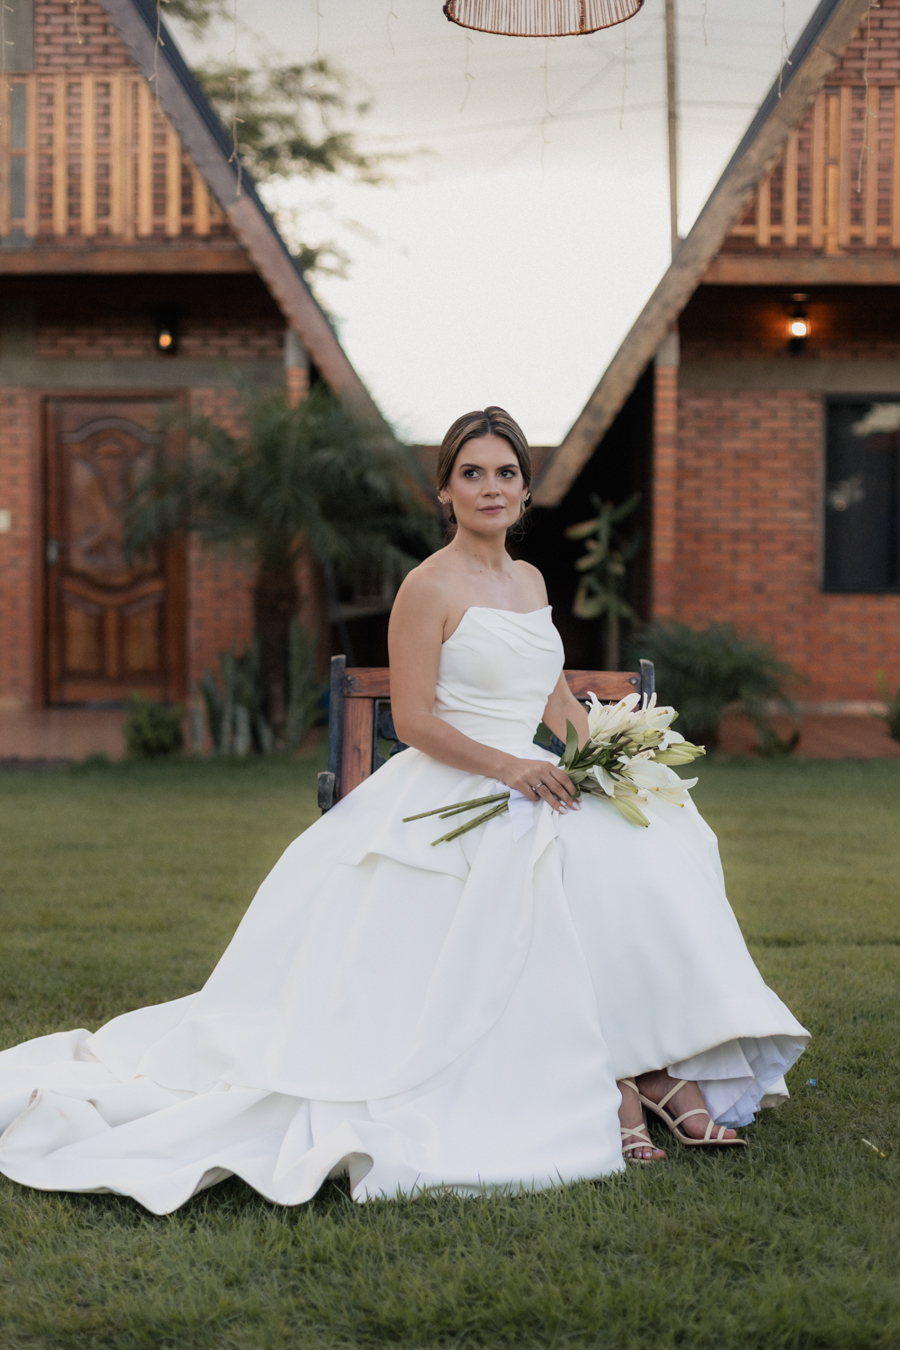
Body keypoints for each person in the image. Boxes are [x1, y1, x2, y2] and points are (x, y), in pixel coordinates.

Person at [0, 408, 807, 1213]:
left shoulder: (530, 581)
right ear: (444, 491)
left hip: (537, 771)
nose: (490, 488)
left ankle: (647, 1064)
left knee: (646, 841)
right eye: (471, 474)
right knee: (537, 863)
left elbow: (554, 698)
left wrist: (609, 755)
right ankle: (616, 1083)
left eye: (505, 474)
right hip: (462, 777)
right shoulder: (428, 587)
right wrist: (512, 769)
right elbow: (416, 720)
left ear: (526, 490)